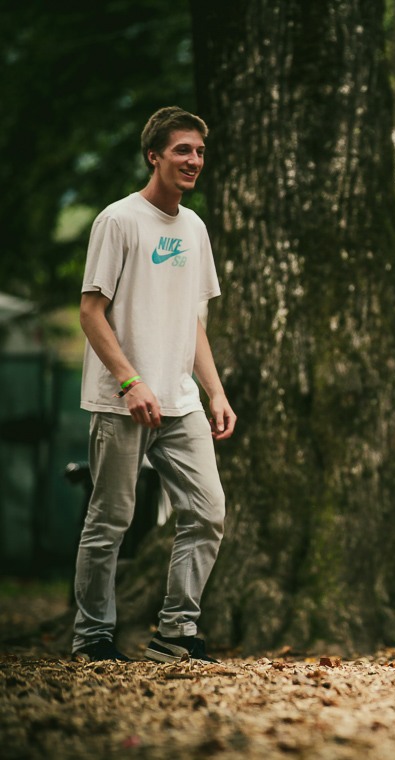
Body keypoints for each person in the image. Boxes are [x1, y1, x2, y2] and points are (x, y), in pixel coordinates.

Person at [72, 106, 235, 664]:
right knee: (110, 518)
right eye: (182, 150)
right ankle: (93, 636)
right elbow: (91, 312)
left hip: (180, 399)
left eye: (199, 152)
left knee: (207, 511)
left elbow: (189, 319)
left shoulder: (194, 227)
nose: (194, 161)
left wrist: (215, 391)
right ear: (154, 156)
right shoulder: (119, 221)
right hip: (123, 402)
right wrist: (129, 380)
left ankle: (176, 632)